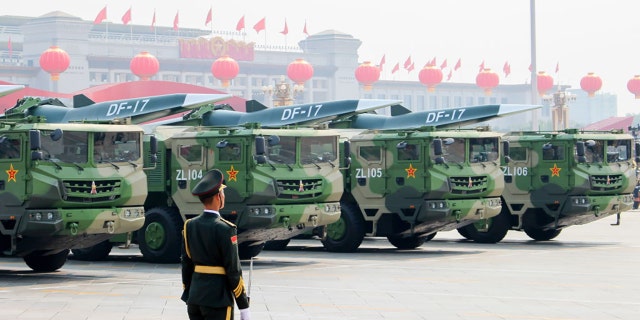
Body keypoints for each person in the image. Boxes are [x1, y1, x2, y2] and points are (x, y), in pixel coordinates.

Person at [181, 169, 251, 320]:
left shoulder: (189, 226)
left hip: (195, 299)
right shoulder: (225, 229)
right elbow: (233, 271)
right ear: (219, 196)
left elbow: (186, 264)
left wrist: (189, 292)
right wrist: (243, 306)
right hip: (218, 300)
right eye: (222, 193)